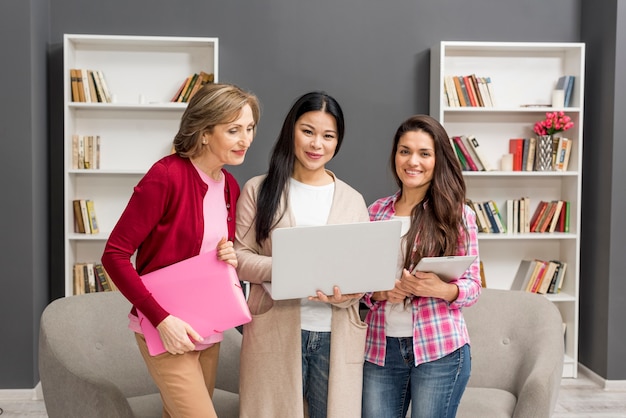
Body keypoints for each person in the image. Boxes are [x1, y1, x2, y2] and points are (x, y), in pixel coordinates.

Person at [101, 83, 260, 418]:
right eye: (233, 130)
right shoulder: (166, 176)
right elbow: (114, 255)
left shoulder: (230, 186)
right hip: (165, 327)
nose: (246, 140)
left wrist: (227, 256)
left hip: (209, 327)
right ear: (204, 133)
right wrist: (160, 320)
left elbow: (204, 252)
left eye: (249, 128)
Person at [235, 91, 369, 418]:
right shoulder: (259, 189)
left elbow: (362, 274)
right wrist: (290, 268)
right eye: (308, 131)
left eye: (328, 136)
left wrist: (347, 295)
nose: (316, 144)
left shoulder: (353, 201)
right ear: (291, 130)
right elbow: (238, 258)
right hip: (274, 331)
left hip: (334, 336)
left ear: (338, 141)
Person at [361, 114, 481, 418]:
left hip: (440, 349)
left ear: (438, 159)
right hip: (380, 350)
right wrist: (380, 293)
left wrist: (443, 289)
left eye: (424, 153)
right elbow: (358, 285)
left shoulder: (457, 215)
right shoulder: (375, 211)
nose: (412, 161)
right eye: (405, 151)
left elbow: (473, 287)